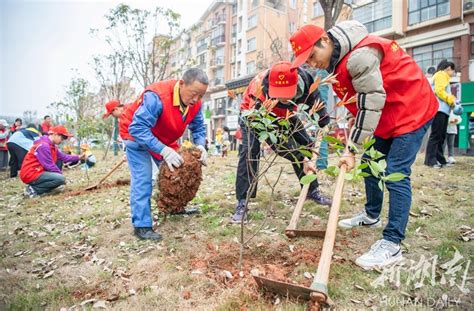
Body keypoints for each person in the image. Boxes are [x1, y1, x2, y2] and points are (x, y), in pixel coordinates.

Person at [290, 20, 438, 269]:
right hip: (386, 114)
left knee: (395, 173)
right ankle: (371, 215)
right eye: (307, 61)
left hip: (412, 108)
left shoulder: (359, 56)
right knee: (371, 163)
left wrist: (352, 148)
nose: (312, 64)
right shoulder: (336, 59)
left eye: (313, 56)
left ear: (325, 41)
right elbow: (359, 101)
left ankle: (392, 244)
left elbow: (371, 102)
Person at [232, 61, 331, 224]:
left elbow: (315, 99)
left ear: (296, 82)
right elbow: (277, 142)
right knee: (250, 152)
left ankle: (311, 190)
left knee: (306, 144)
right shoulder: (260, 91)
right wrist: (300, 156)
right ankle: (243, 202)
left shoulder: (306, 81)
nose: (284, 97)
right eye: (279, 93)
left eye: (287, 93)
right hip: (256, 115)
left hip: (286, 114)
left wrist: (324, 120)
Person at [119, 68, 208, 241]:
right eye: (194, 94)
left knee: (178, 171)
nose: (196, 99)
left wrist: (201, 145)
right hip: (135, 134)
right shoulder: (157, 97)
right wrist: (164, 150)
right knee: (143, 178)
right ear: (182, 84)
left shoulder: (195, 103)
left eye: (201, 95)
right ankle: (142, 225)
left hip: (162, 136)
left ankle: (175, 207)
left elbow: (198, 127)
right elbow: (137, 128)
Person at [102, 99, 160, 184]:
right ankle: (152, 179)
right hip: (140, 142)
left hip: (147, 139)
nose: (112, 116)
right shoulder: (124, 115)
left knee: (152, 159)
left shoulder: (131, 110)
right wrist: (127, 151)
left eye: (111, 113)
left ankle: (154, 179)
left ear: (116, 109)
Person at [20, 126, 85, 198]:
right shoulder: (44, 146)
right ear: (55, 134)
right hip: (31, 173)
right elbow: (49, 165)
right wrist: (61, 177)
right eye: (62, 137)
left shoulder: (52, 146)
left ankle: (36, 186)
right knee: (60, 179)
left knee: (59, 179)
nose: (63, 140)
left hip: (37, 171)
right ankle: (33, 190)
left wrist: (78, 157)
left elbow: (64, 157)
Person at [424, 60, 457, 168]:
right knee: (436, 135)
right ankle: (430, 160)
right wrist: (451, 99)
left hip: (444, 110)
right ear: (448, 68)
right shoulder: (441, 75)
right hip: (439, 109)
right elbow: (439, 91)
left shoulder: (444, 77)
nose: (453, 73)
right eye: (453, 70)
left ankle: (440, 160)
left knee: (441, 136)